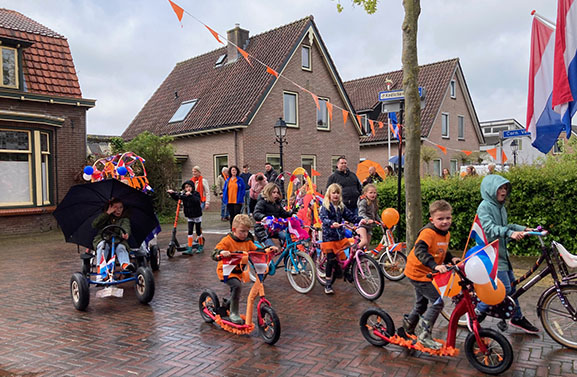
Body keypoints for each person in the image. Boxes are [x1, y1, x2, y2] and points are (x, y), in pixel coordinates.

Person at [473, 175, 540, 333]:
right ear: (491, 189)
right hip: (490, 255)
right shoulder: (485, 207)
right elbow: (489, 229)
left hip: (502, 255)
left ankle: (517, 318)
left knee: (512, 288)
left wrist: (523, 229)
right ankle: (477, 313)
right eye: (500, 188)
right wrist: (509, 233)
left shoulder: (500, 207)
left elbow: (505, 225)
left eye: (505, 188)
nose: (503, 191)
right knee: (501, 290)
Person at [402, 200, 460, 350]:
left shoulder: (446, 234)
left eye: (448, 218)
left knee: (421, 304)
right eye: (440, 219)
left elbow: (441, 251)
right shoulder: (428, 232)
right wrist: (435, 266)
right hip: (418, 272)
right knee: (437, 302)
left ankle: (408, 327)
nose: (445, 221)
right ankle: (424, 335)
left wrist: (451, 258)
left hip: (426, 273)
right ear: (432, 220)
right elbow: (420, 251)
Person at [211, 214, 264, 325]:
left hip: (238, 272)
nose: (245, 234)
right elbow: (214, 253)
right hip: (226, 272)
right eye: (242, 231)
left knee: (236, 290)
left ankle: (228, 303)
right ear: (234, 229)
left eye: (247, 231)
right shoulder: (227, 241)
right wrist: (221, 252)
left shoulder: (247, 242)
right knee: (237, 286)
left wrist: (267, 249)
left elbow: (256, 250)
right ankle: (233, 313)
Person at [319, 183, 366, 295]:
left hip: (340, 236)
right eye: (333, 192)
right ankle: (328, 284)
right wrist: (332, 223)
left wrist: (360, 220)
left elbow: (350, 216)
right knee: (331, 260)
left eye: (337, 193)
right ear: (329, 194)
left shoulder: (341, 207)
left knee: (348, 253)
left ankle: (346, 272)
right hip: (329, 237)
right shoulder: (325, 206)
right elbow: (324, 219)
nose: (335, 195)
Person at [92, 198, 134, 272]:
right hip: (104, 238)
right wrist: (107, 213)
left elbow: (125, 226)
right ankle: (101, 269)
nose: (119, 210)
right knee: (103, 246)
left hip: (118, 240)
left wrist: (125, 233)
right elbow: (95, 224)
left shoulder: (124, 218)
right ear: (110, 207)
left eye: (121, 207)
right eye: (116, 208)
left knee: (121, 247)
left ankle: (125, 265)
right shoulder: (105, 216)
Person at [253, 183, 293, 248]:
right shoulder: (262, 202)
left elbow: (283, 213)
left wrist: (292, 213)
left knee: (288, 239)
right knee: (272, 247)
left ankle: (288, 256)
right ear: (268, 192)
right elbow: (256, 213)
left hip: (274, 229)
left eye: (277, 192)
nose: (276, 194)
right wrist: (263, 217)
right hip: (262, 229)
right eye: (273, 192)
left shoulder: (277, 204)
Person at [167, 180, 202, 254]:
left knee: (198, 231)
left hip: (197, 215)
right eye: (186, 187)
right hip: (190, 215)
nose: (188, 188)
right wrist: (172, 193)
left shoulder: (196, 194)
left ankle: (200, 246)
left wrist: (191, 195)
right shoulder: (184, 195)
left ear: (192, 187)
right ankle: (189, 248)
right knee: (190, 231)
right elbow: (178, 197)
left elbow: (197, 200)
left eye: (189, 187)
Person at [190, 166, 210, 252]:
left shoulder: (203, 181)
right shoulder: (191, 181)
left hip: (200, 202)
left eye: (195, 171)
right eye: (193, 171)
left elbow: (207, 192)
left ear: (199, 172)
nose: (194, 173)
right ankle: (198, 236)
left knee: (197, 220)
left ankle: (199, 237)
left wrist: (207, 202)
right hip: (192, 203)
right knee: (193, 221)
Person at [356, 184, 378, 249]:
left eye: (374, 193)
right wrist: (367, 220)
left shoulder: (374, 202)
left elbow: (376, 214)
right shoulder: (363, 202)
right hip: (362, 225)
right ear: (365, 193)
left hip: (369, 226)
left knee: (366, 247)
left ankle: (363, 258)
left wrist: (381, 221)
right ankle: (352, 252)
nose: (373, 194)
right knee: (364, 241)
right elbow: (361, 213)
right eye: (370, 193)